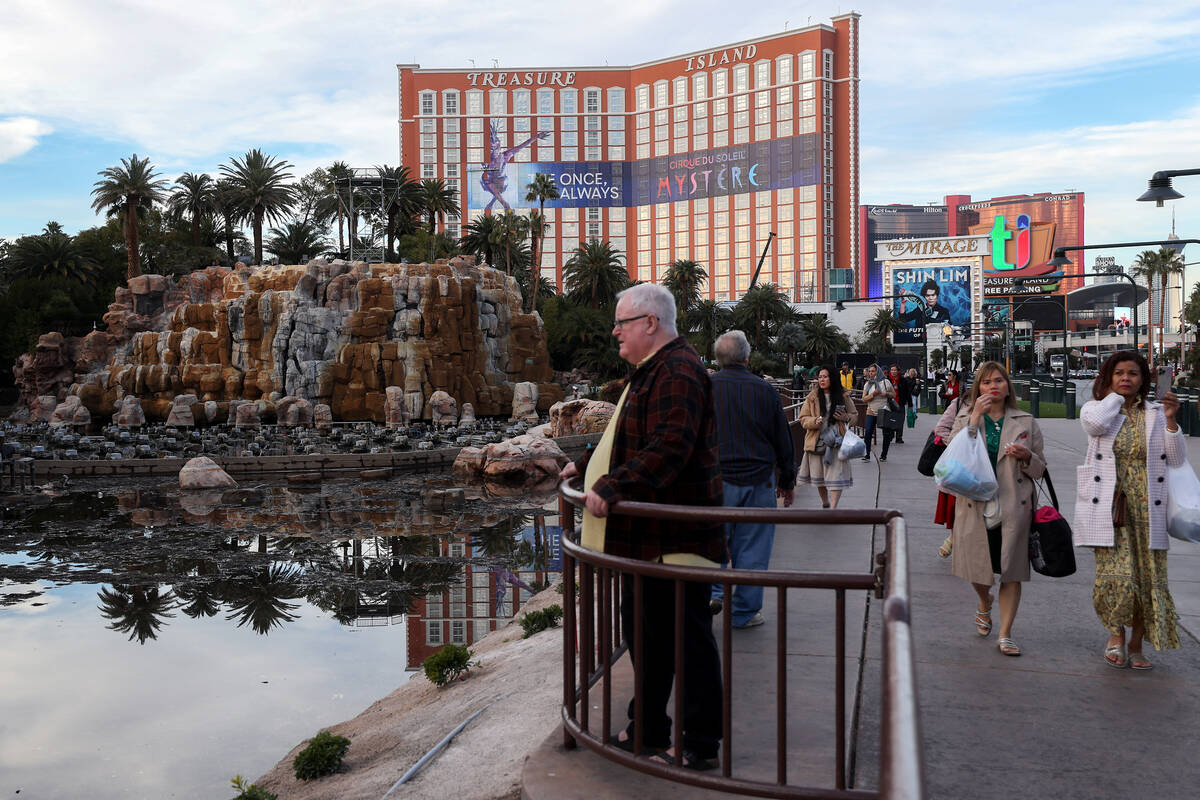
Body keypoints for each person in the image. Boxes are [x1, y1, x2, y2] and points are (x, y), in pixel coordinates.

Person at [559, 282, 724, 770]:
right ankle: (647, 727)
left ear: (650, 323)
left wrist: (611, 487)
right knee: (647, 637)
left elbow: (670, 445)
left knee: (686, 643)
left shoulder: (679, 371)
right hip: (650, 543)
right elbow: (630, 438)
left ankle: (699, 743)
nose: (614, 332)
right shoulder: (652, 371)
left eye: (622, 322)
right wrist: (587, 466)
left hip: (673, 540)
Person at [1075, 351, 1184, 670]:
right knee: (1117, 578)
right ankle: (1115, 636)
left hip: (1149, 505)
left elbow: (1176, 459)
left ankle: (1136, 643)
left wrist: (1170, 419)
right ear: (1108, 377)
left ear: (1143, 380)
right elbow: (1094, 426)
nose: (1126, 378)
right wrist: (1114, 397)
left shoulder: (1154, 411)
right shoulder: (1098, 409)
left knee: (1145, 577)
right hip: (1110, 506)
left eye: (1133, 374)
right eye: (1119, 373)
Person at [947, 361, 1045, 657]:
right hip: (975, 504)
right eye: (987, 382)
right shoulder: (965, 417)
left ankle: (1005, 633)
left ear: (1008, 386)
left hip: (1014, 504)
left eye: (999, 381)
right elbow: (953, 457)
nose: (993, 386)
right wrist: (975, 417)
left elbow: (1041, 469)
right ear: (978, 388)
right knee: (979, 570)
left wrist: (1027, 456)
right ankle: (983, 600)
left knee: (1011, 571)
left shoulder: (1025, 421)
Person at [708, 330, 797, 627]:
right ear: (747, 357)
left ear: (717, 359)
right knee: (753, 548)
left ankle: (712, 591)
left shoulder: (704, 389)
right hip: (758, 480)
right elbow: (782, 438)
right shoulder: (765, 390)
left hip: (714, 482)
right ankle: (743, 613)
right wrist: (788, 480)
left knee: (712, 541)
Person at [796, 365, 856, 508]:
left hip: (837, 441)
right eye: (820, 377)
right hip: (817, 441)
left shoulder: (843, 396)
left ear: (832, 378)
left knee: (836, 474)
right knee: (819, 476)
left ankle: (833, 508)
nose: (821, 380)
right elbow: (803, 418)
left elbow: (855, 416)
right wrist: (814, 421)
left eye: (825, 376)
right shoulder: (813, 397)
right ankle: (825, 503)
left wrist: (846, 417)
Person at [860, 364, 896, 462]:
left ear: (878, 372)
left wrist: (886, 394)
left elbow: (893, 394)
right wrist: (873, 394)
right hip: (871, 410)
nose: (871, 373)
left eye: (873, 371)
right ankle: (867, 454)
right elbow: (863, 399)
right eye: (870, 371)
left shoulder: (885, 382)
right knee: (868, 432)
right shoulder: (868, 384)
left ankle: (884, 455)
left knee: (886, 434)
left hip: (883, 411)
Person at [888, 365, 908, 444]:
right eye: (892, 370)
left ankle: (899, 437)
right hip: (890, 403)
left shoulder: (903, 380)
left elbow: (907, 392)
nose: (893, 372)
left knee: (900, 420)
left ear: (898, 371)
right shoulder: (887, 380)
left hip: (900, 403)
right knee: (890, 420)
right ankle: (891, 435)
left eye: (895, 370)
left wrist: (910, 404)